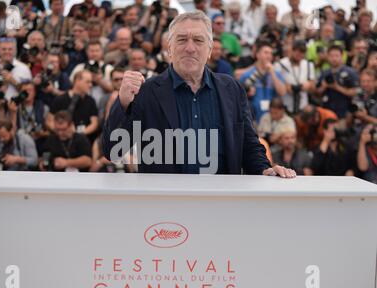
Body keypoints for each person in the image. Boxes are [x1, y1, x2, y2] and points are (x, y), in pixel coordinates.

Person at [103, 11, 295, 178]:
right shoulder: (147, 91)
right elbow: (113, 151)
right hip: (166, 207)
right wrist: (122, 103)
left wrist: (265, 170)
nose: (190, 47)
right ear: (169, 48)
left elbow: (248, 145)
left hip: (220, 202)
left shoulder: (232, 89)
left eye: (198, 40)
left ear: (210, 50)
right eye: (181, 39)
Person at [239, 41, 287, 122]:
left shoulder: (276, 73)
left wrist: (272, 73)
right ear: (257, 55)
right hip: (253, 117)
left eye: (270, 53)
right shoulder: (248, 74)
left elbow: (282, 92)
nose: (269, 56)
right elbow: (239, 96)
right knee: (213, 133)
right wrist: (247, 92)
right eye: (266, 53)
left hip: (273, 117)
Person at [48, 70, 99, 143]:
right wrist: (61, 131)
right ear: (77, 80)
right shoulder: (60, 99)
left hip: (82, 140)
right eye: (87, 82)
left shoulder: (91, 101)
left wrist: (78, 134)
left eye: (91, 82)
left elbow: (94, 123)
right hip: (60, 139)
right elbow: (49, 121)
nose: (90, 85)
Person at [315, 44, 359, 119]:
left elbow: (355, 92)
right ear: (328, 57)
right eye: (331, 56)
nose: (334, 58)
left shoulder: (351, 72)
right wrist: (323, 86)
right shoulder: (324, 73)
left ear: (342, 56)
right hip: (326, 110)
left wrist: (337, 87)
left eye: (336, 56)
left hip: (344, 111)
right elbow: (317, 94)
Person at [274, 40, 315, 114]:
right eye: (297, 50)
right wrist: (286, 86)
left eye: (302, 51)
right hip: (285, 106)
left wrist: (308, 85)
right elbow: (275, 84)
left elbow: (313, 86)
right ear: (292, 50)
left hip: (303, 106)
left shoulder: (309, 65)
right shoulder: (280, 64)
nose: (299, 54)